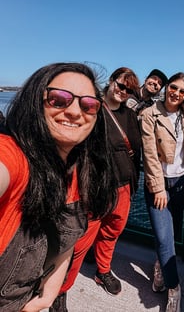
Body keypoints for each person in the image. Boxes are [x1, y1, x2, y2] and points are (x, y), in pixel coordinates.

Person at [0, 62, 117, 311]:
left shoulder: (78, 173)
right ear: (35, 102)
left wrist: (50, 291)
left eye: (88, 105)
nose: (75, 111)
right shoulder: (13, 157)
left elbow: (67, 237)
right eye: (59, 99)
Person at [51, 67, 142, 310]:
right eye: (121, 86)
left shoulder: (130, 116)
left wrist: (134, 181)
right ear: (111, 82)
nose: (123, 92)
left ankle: (103, 271)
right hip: (96, 186)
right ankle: (60, 291)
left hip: (124, 186)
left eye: (129, 89)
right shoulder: (93, 109)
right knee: (80, 244)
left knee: (112, 232)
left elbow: (137, 151)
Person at [140, 72, 184, 312]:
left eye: (182, 91)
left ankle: (160, 264)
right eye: (173, 88)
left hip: (182, 183)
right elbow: (149, 154)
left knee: (173, 233)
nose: (176, 93)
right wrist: (158, 187)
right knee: (163, 236)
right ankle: (174, 288)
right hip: (159, 185)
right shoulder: (149, 114)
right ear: (166, 87)